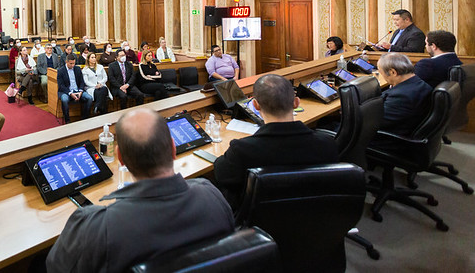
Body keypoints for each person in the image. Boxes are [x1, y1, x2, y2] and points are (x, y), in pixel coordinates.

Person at [46, 108, 234, 273]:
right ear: (173, 148)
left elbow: (55, 268)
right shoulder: (212, 195)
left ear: (120, 158)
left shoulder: (96, 227)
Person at [213, 74, 339, 210]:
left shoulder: (242, 150)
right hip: (315, 218)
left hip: (259, 225)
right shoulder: (327, 144)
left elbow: (220, 174)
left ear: (256, 105)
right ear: (296, 103)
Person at [375, 53, 433, 138]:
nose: (382, 76)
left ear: (393, 72)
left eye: (381, 72)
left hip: (390, 141)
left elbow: (376, 123)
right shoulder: (421, 84)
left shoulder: (401, 97)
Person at [56, 54, 93, 124]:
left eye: (74, 63)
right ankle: (67, 120)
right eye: (71, 63)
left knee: (89, 98)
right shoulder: (61, 71)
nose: (72, 65)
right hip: (66, 91)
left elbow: (82, 82)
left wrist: (81, 91)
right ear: (66, 62)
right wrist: (70, 93)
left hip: (78, 90)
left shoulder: (77, 69)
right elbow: (61, 86)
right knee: (64, 99)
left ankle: (85, 118)